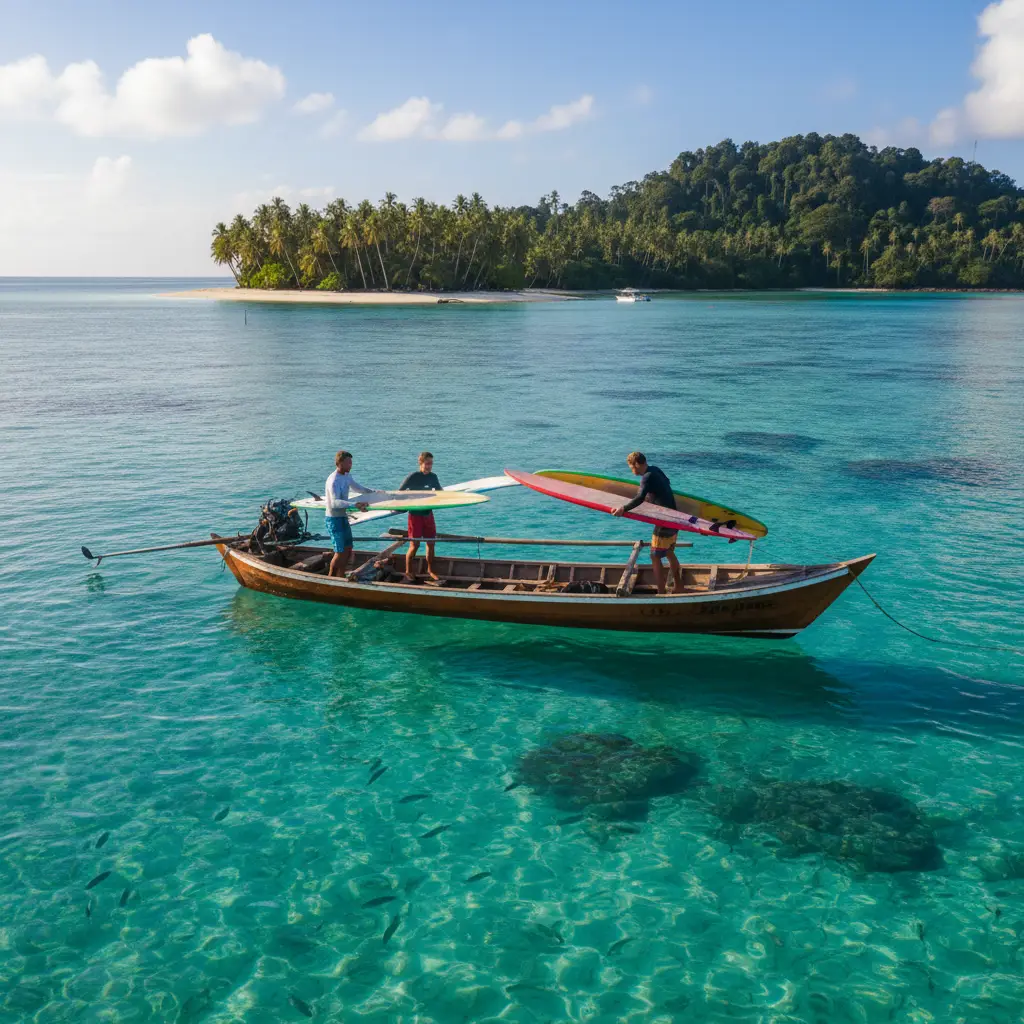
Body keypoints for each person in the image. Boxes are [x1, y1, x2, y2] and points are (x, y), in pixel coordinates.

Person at [611, 451, 682, 594]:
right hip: (674, 517)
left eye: (631, 467)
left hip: (664, 521)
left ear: (637, 464)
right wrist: (651, 498)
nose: (631, 470)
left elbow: (639, 497)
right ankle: (679, 587)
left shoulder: (646, 477)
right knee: (669, 552)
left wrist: (623, 509)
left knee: (655, 556)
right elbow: (665, 485)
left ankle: (661, 592)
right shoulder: (655, 470)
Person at [324, 450, 377, 578]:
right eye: (348, 462)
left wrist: (374, 492)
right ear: (340, 463)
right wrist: (355, 505)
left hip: (343, 517)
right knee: (340, 551)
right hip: (334, 519)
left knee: (348, 549)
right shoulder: (333, 480)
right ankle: (330, 578)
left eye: (351, 462)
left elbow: (357, 487)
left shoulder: (347, 475)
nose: (351, 465)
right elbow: (334, 503)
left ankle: (341, 576)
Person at [399, 451, 442, 581]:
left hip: (428, 513)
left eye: (431, 464)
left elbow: (441, 493)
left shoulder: (433, 477)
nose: (430, 466)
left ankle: (430, 570)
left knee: (431, 543)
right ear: (421, 463)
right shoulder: (413, 477)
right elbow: (399, 492)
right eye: (427, 463)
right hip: (415, 515)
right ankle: (408, 571)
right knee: (415, 545)